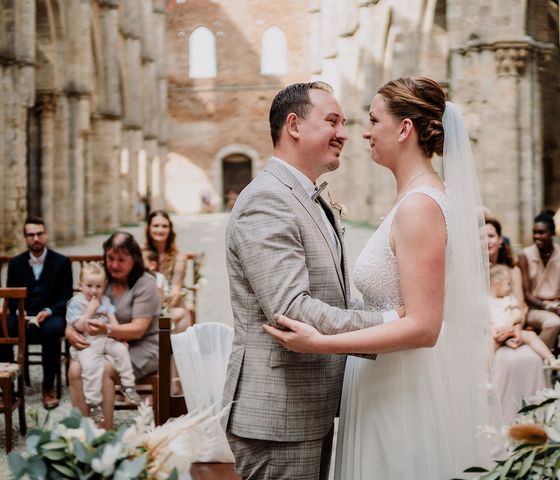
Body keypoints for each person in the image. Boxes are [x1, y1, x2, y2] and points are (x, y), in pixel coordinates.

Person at [265, 77, 492, 478]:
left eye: (372, 120)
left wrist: (322, 343)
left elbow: (424, 327)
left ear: (405, 128)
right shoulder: (412, 199)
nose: (364, 133)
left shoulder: (418, 207)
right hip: (383, 380)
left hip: (401, 389)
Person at [223, 81, 401, 480]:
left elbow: (331, 299)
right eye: (332, 121)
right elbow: (291, 310)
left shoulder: (306, 196)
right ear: (294, 126)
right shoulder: (266, 200)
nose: (345, 133)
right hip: (277, 414)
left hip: (307, 406)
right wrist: (390, 324)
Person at [66, 232, 161, 429]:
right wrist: (69, 331)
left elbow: (137, 330)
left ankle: (104, 432)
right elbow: (80, 309)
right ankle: (84, 431)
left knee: (104, 370)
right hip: (104, 344)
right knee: (74, 369)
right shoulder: (102, 281)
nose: (114, 265)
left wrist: (106, 328)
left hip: (143, 346)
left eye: (121, 260)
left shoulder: (145, 283)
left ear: (134, 260)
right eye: (110, 258)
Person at [0, 216, 72, 409]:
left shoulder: (62, 262)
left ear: (46, 235)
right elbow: (11, 296)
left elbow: (66, 296)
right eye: (31, 235)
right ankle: (7, 390)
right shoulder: (16, 263)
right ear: (25, 238)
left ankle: (48, 387)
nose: (35, 238)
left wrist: (49, 310)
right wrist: (21, 313)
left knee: (52, 331)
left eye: (39, 234)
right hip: (23, 314)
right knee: (2, 329)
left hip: (50, 314)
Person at [485, 217, 548, 424]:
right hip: (488, 333)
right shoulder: (470, 275)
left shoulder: (513, 269)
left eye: (491, 236)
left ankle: (536, 422)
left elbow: (519, 306)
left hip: (513, 329)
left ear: (501, 239)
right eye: (482, 237)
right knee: (505, 362)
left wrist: (516, 330)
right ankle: (501, 423)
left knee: (532, 359)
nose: (487, 241)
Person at [66, 262, 141, 424]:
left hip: (105, 339)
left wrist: (120, 337)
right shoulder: (75, 303)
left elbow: (113, 323)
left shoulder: (105, 301)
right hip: (87, 343)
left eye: (98, 286)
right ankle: (93, 403)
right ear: (80, 286)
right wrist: (91, 310)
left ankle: (128, 386)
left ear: (104, 286)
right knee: (91, 368)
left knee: (121, 350)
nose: (93, 291)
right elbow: (78, 327)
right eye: (89, 286)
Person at [489, 264, 560, 367]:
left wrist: (511, 322)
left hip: (512, 331)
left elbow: (517, 313)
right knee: (490, 346)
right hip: (495, 334)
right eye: (509, 284)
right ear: (496, 284)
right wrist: (494, 330)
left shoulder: (508, 299)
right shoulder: (486, 302)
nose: (511, 288)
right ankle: (487, 375)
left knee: (531, 336)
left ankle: (550, 359)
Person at [518, 210, 560, 350]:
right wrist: (547, 307)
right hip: (534, 308)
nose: (536, 236)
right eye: (534, 232)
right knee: (553, 323)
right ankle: (536, 360)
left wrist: (556, 306)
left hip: (557, 306)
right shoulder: (525, 255)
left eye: (541, 232)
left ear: (553, 233)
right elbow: (527, 294)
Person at [145, 210, 191, 332]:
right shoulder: (141, 255)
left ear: (170, 229)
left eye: (164, 226)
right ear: (148, 228)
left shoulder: (179, 257)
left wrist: (163, 310)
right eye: (156, 226)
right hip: (145, 302)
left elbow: (176, 288)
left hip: (171, 302)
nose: (160, 230)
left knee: (179, 315)